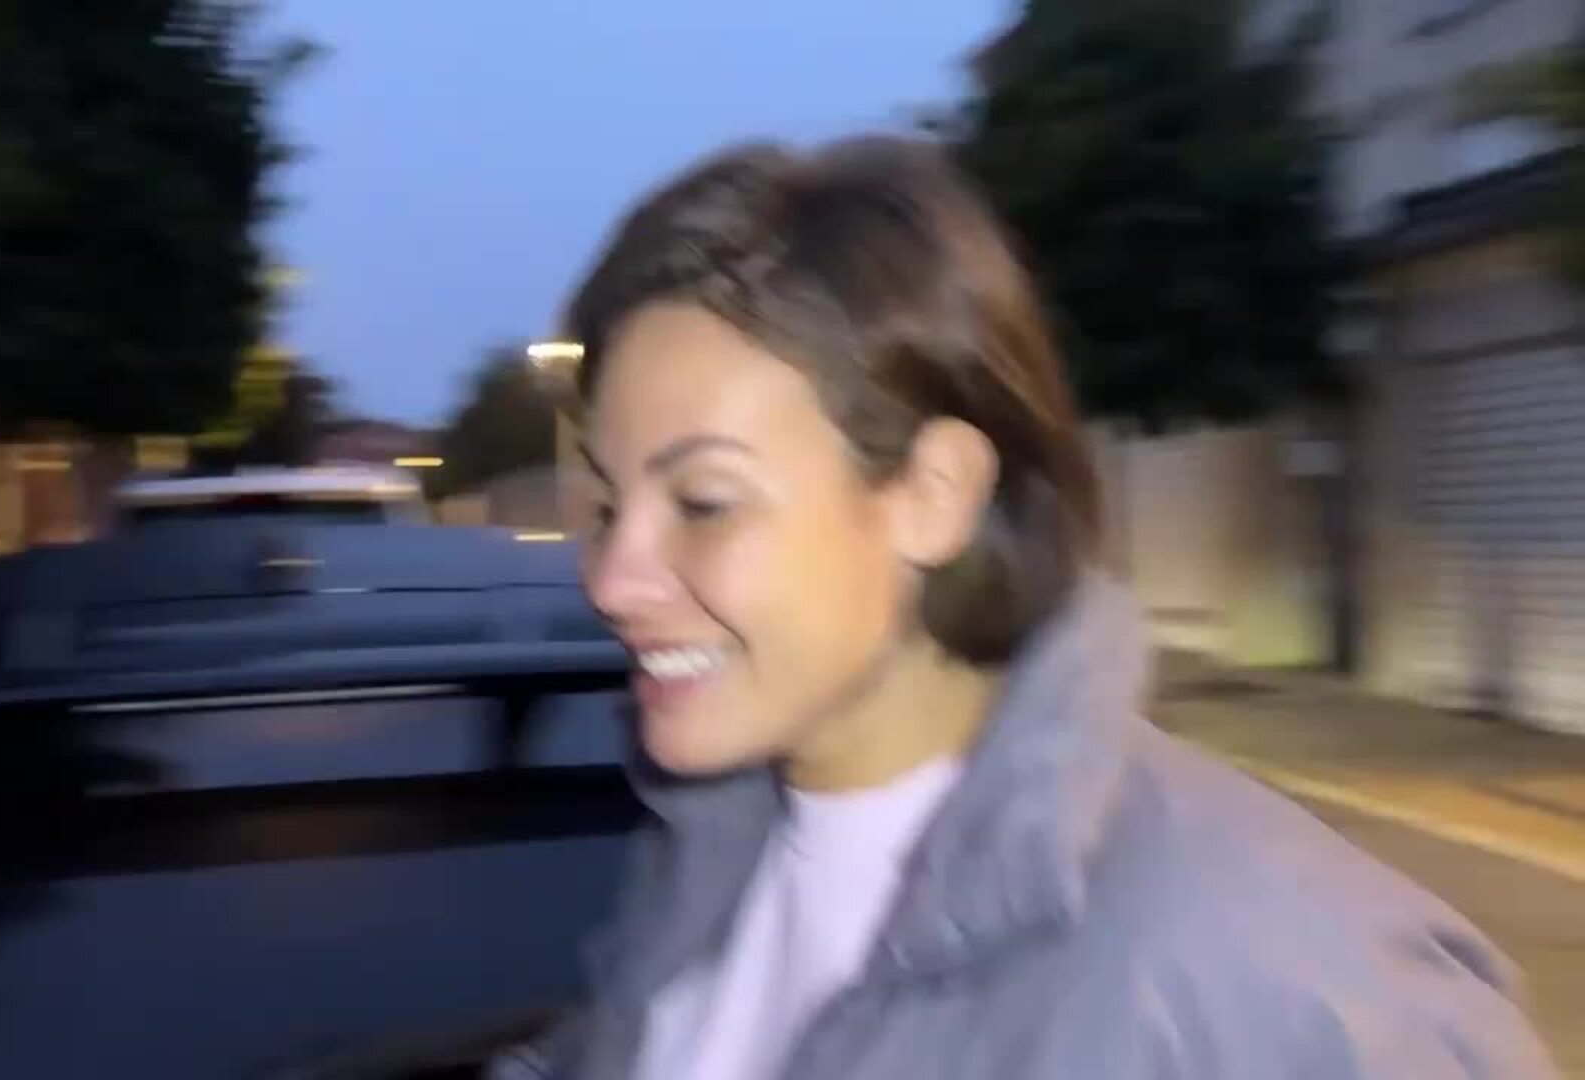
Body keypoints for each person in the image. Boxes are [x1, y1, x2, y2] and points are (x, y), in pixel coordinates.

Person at [489, 135, 1559, 1079]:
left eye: (703, 503)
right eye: (612, 505)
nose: (613, 580)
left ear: (932, 493)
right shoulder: (710, 851)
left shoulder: (1277, 977)